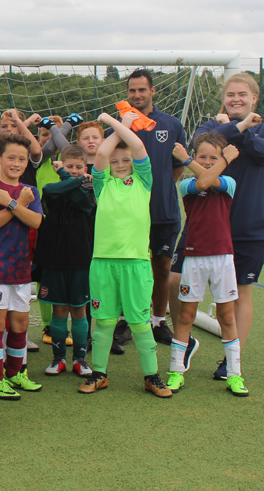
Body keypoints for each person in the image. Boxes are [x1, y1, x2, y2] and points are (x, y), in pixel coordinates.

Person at [182, 72, 264, 380]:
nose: (236, 99)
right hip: (205, 227)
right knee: (176, 283)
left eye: (242, 94)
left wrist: (239, 131)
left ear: (254, 99)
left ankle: (231, 361)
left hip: (250, 227)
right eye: (230, 95)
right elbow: (198, 145)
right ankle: (182, 344)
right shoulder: (211, 127)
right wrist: (235, 127)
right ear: (223, 99)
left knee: (241, 293)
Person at [79, 113, 171, 398]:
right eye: (116, 162)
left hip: (137, 263)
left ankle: (152, 376)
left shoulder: (143, 182)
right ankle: (99, 374)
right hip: (103, 263)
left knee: (140, 322)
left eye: (126, 160)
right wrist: (117, 124)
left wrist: (123, 125)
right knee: (104, 321)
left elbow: (140, 148)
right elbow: (103, 151)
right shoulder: (102, 184)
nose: (119, 165)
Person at [167, 135, 248, 396]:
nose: (208, 161)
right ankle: (176, 371)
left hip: (223, 258)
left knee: (226, 317)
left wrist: (189, 160)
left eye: (215, 157)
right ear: (195, 156)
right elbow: (202, 181)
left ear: (223, 159)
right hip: (194, 257)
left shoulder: (230, 182)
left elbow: (210, 180)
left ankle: (235, 375)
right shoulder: (188, 184)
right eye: (203, 156)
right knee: (186, 316)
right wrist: (223, 159)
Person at [122, 69, 188, 346]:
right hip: (128, 214)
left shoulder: (171, 125)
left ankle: (158, 321)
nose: (137, 95)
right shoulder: (121, 124)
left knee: (161, 267)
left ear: (152, 91)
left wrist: (157, 189)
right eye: (132, 90)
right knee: (128, 268)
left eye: (142, 90)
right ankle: (125, 322)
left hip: (163, 212)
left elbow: (177, 168)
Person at [0, 134, 44, 400]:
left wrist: (15, 203)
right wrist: (19, 205)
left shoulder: (30, 191)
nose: (16, 163)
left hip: (21, 268)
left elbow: (36, 222)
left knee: (20, 322)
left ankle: (16, 372)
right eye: (11, 158)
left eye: (22, 159)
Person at [36, 146, 95, 377]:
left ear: (86, 168)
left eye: (79, 167)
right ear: (60, 166)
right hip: (54, 257)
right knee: (59, 310)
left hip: (81, 258)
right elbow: (51, 191)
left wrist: (74, 180)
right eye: (69, 166)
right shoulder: (54, 187)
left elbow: (84, 202)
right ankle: (58, 358)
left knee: (79, 309)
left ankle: (80, 360)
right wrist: (69, 177)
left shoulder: (89, 190)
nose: (74, 170)